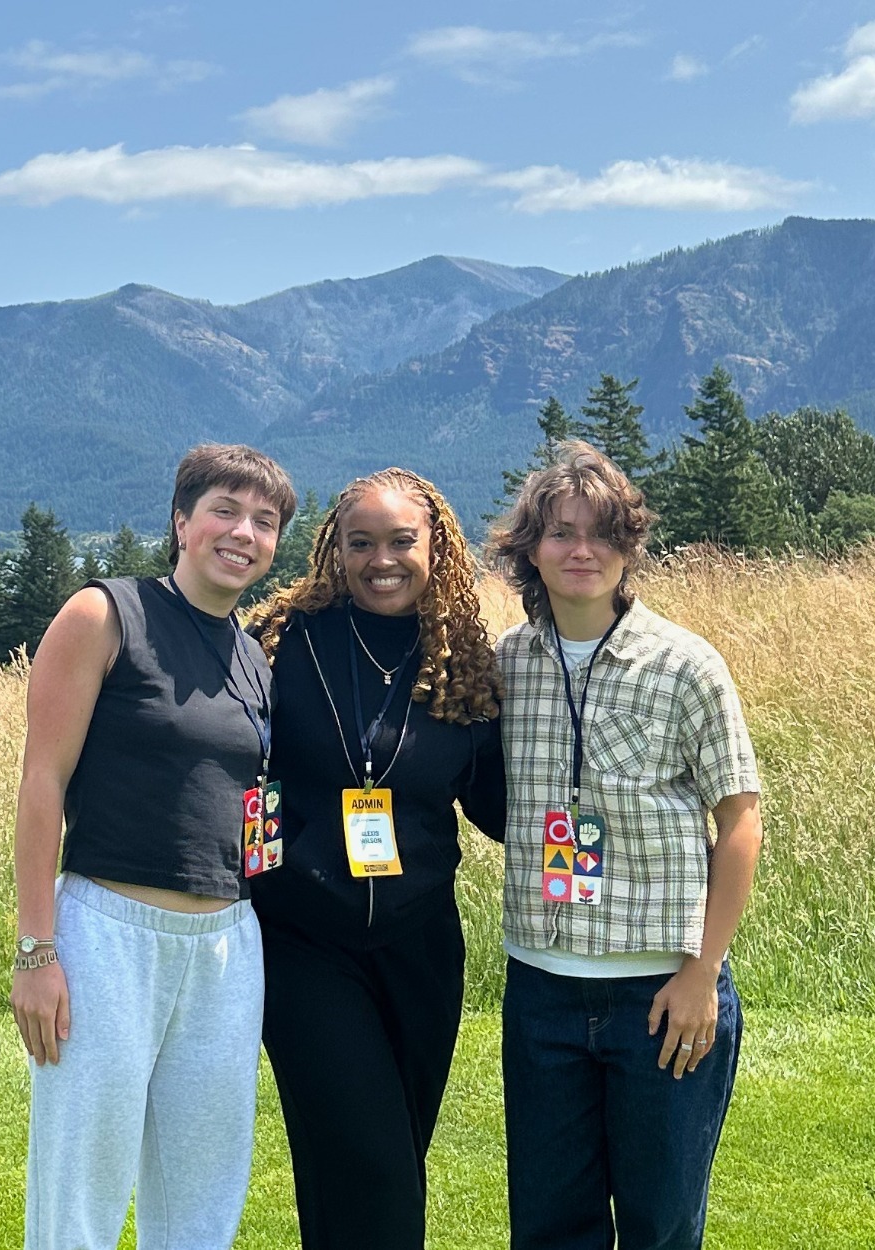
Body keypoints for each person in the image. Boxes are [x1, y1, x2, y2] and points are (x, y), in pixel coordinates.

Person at [10, 443, 297, 1250]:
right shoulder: (105, 614)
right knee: (80, 1190)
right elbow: (42, 785)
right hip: (108, 934)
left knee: (203, 1194)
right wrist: (37, 953)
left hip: (227, 948)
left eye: (264, 521)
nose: (243, 532)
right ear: (181, 520)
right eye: (225, 511)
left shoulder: (252, 658)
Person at [485, 440, 763, 1250]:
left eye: (602, 533)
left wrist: (702, 973)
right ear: (529, 549)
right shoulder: (508, 666)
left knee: (660, 1225)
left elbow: (740, 822)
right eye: (561, 531)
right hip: (540, 991)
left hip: (663, 992)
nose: (582, 550)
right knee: (548, 1226)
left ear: (630, 547)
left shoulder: (686, 665)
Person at [245, 467, 506, 1250]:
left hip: (422, 948)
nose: (380, 559)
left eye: (401, 541)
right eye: (361, 543)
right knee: (374, 1164)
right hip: (303, 945)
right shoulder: (284, 647)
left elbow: (498, 809)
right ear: (334, 550)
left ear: (438, 548)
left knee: (376, 1162)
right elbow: (239, 778)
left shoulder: (462, 662)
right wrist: (247, 886)